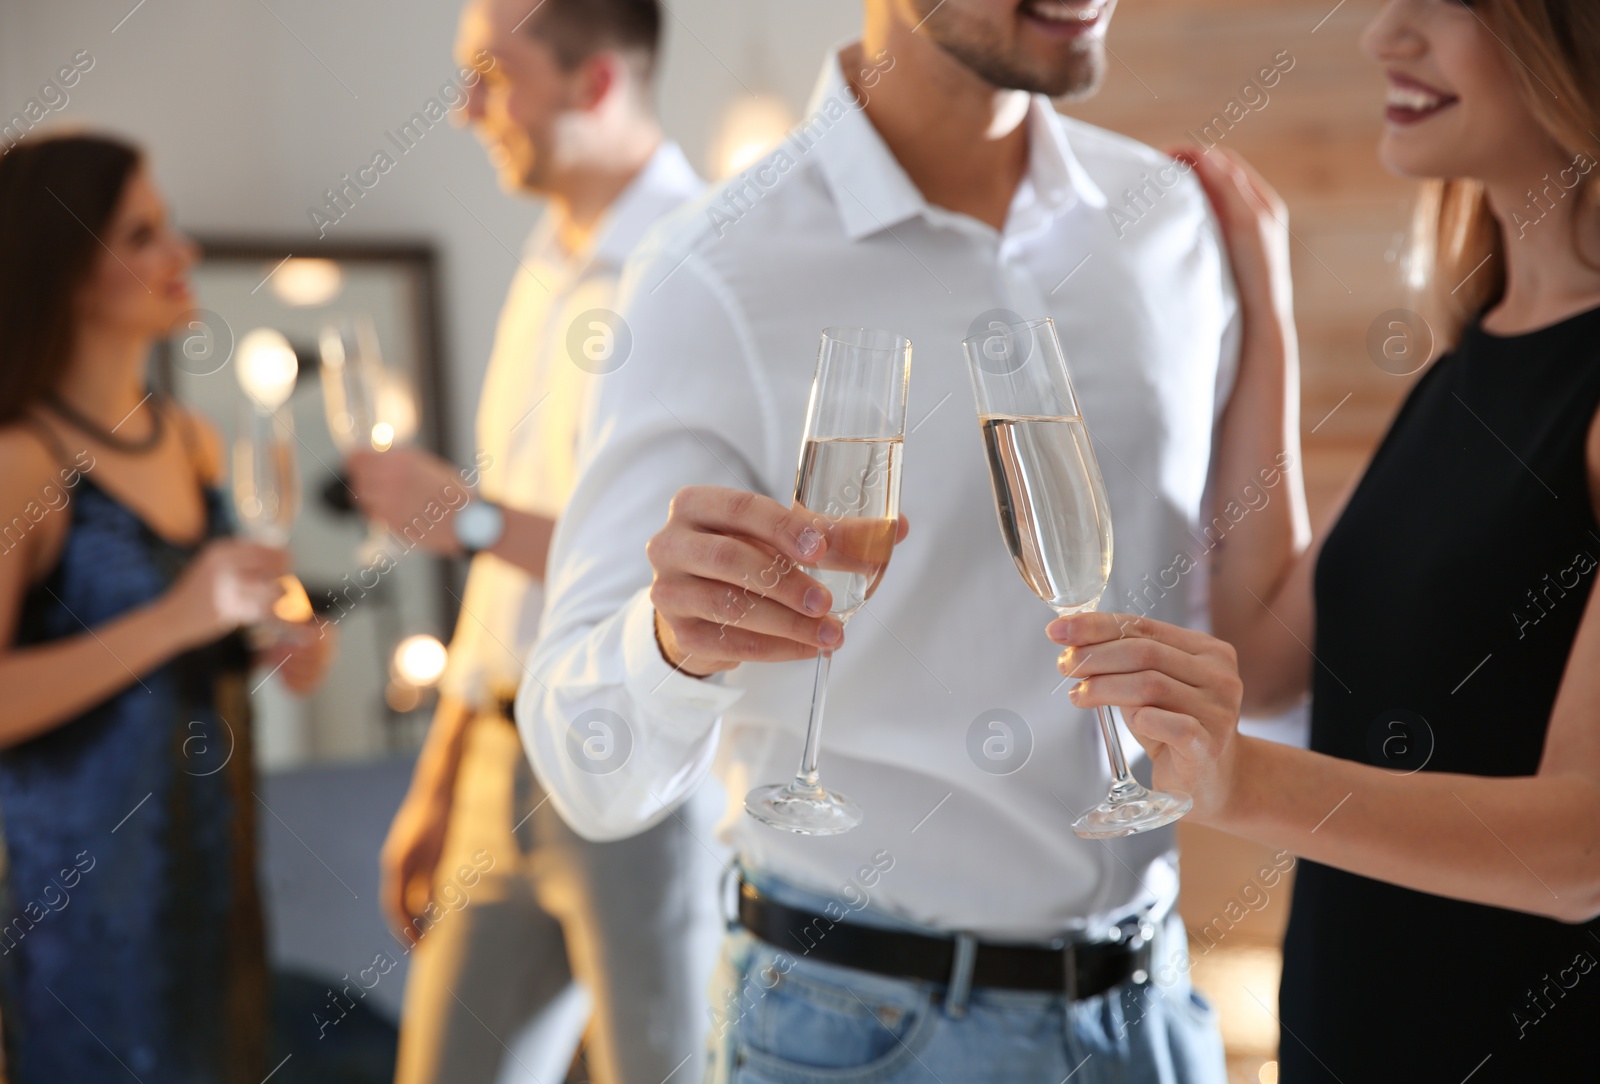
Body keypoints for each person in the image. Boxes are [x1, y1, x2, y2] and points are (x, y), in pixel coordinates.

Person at [518, 0, 1268, 1078]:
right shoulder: (709, 272)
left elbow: (1231, 628)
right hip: (860, 1031)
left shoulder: (1169, 226)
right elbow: (585, 765)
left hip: (1153, 1015)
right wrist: (671, 645)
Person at [1048, 0, 1600, 1079]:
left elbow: (1581, 847)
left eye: (1447, 7)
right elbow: (1264, 647)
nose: (1385, 37)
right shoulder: (1468, 365)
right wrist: (1264, 301)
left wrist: (1237, 783)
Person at [342, 2, 721, 1082]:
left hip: (638, 763)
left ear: (594, 84)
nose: (465, 111)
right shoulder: (546, 265)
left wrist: (462, 517)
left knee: (663, 1070)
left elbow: (678, 569)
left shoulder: (702, 270)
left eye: (489, 78)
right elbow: (504, 578)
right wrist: (444, 772)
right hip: (500, 757)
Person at [0, 133, 331, 1082]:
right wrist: (178, 621)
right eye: (142, 235)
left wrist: (276, 642)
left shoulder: (188, 439)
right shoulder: (24, 462)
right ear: (61, 270)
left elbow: (207, 630)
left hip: (212, 873)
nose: (180, 253)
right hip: (80, 910)